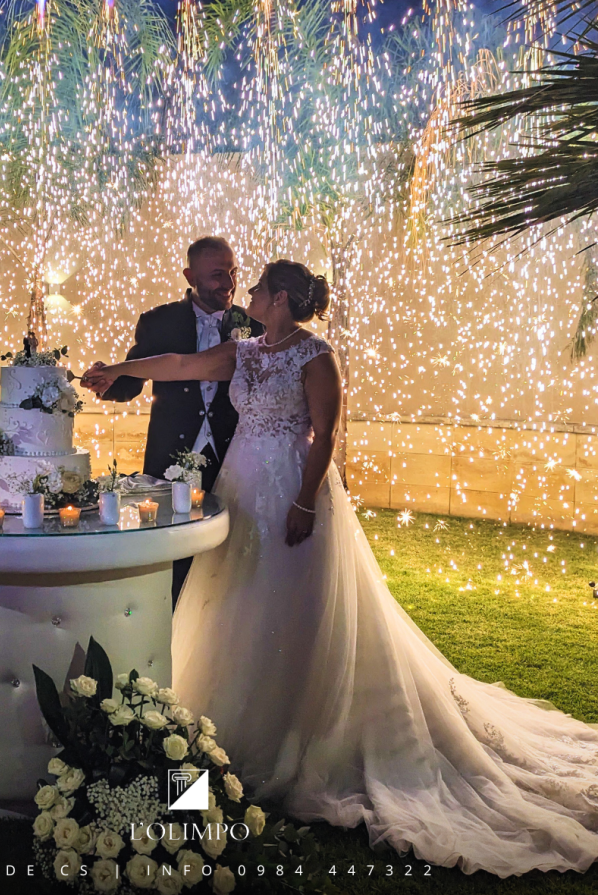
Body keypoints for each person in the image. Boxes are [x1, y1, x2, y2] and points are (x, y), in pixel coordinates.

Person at [82, 258, 598, 877]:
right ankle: (228, 722)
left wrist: (304, 501)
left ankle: (299, 730)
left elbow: (325, 434)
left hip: (292, 491)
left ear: (279, 298)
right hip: (241, 487)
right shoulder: (244, 351)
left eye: (257, 287)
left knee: (288, 603)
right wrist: (120, 368)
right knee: (235, 602)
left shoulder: (316, 355)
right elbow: (179, 366)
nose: (248, 293)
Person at [92, 236, 262, 606]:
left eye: (233, 272)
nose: (229, 283)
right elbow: (130, 381)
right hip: (170, 455)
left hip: (234, 455)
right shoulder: (159, 322)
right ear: (190, 276)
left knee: (229, 553)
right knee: (171, 552)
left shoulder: (254, 324)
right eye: (217, 274)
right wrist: (105, 381)